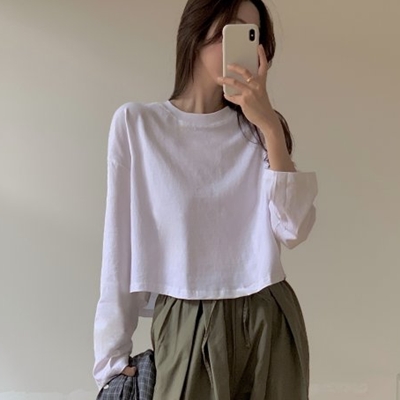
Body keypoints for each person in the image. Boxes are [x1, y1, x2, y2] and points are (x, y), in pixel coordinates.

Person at [93, 0, 318, 398]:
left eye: (253, 36)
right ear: (198, 30)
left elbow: (294, 229)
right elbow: (118, 244)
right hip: (184, 320)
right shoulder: (138, 125)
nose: (245, 48)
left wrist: (269, 125)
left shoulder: (259, 132)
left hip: (268, 315)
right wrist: (110, 357)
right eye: (234, 28)